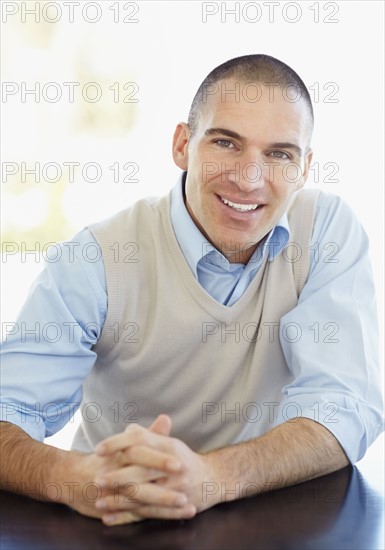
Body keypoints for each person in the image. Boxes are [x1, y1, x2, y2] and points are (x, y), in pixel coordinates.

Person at [1, 54, 383, 526]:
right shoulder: (98, 257)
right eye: (226, 143)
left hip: (269, 519)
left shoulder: (326, 230)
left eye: (279, 154)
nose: (248, 179)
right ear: (183, 145)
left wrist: (209, 476)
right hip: (117, 519)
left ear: (304, 169)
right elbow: (6, 410)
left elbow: (344, 407)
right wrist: (75, 477)